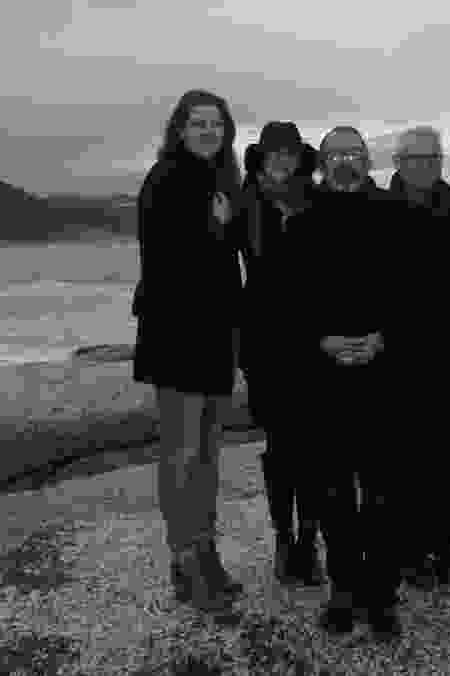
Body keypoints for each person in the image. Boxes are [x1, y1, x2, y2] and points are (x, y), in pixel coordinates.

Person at [284, 125, 409, 640]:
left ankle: (380, 593)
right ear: (322, 164)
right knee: (332, 490)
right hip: (323, 380)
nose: (344, 162)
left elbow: (418, 294)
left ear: (367, 160)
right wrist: (321, 341)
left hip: (384, 376)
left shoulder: (396, 219)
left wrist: (385, 338)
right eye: (334, 155)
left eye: (353, 154)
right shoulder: (301, 226)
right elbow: (282, 306)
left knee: (383, 491)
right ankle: (342, 587)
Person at [131, 89, 246, 612]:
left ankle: (205, 551)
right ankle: (185, 561)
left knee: (207, 452)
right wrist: (219, 230)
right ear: (179, 129)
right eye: (198, 123)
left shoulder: (220, 180)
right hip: (177, 337)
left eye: (216, 124)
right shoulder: (165, 180)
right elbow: (172, 266)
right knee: (182, 452)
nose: (207, 131)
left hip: (212, 337)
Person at [237, 121, 325, 586]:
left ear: (299, 157)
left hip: (313, 342)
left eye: (290, 152)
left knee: (313, 446)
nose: (283, 160)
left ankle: (309, 540)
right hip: (264, 342)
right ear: (262, 156)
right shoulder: (243, 202)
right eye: (275, 152)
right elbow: (212, 262)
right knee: (279, 446)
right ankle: (283, 539)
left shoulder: (317, 200)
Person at [387, 126, 450, 591]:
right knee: (401, 456)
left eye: (433, 156)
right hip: (393, 357)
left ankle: (442, 545)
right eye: (415, 157)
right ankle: (406, 549)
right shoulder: (378, 209)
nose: (425, 164)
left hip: (447, 354)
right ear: (398, 161)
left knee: (443, 456)